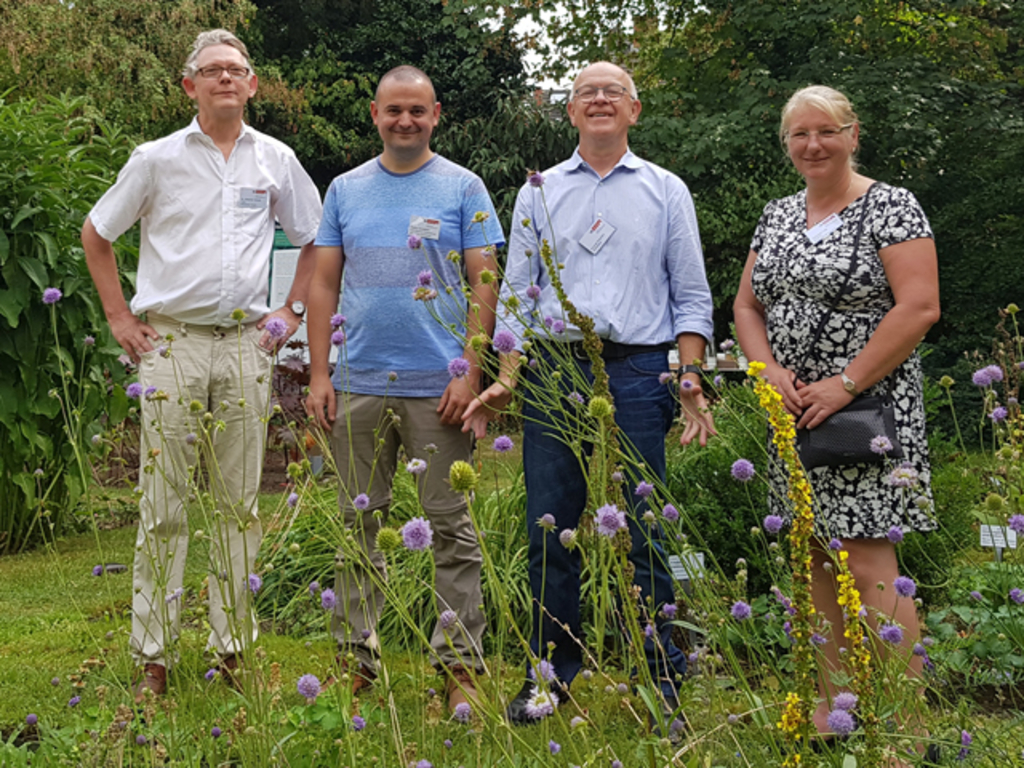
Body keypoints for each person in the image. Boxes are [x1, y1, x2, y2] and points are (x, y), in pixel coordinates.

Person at [463, 61, 716, 728]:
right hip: (553, 370)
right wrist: (507, 375)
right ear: (570, 113)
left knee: (646, 529)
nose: (600, 100)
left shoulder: (666, 190)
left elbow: (691, 297)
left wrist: (691, 379)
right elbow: (517, 292)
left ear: (635, 111)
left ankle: (662, 684)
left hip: (637, 371)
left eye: (613, 92)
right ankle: (550, 678)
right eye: (586, 93)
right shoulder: (536, 194)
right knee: (550, 528)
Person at [81, 29, 322, 701]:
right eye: (210, 71)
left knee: (239, 506)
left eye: (236, 70)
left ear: (251, 85)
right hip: (172, 345)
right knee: (163, 507)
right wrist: (119, 319)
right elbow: (97, 233)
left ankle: (232, 651)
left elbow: (315, 237)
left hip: (247, 344)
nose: (224, 79)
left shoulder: (275, 159)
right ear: (189, 87)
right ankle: (153, 658)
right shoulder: (155, 160)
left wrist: (292, 314)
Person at [733, 85, 940, 758]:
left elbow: (918, 307)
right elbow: (746, 307)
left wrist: (843, 384)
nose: (813, 145)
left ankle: (905, 720)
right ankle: (836, 710)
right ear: (786, 143)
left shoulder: (891, 205)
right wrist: (768, 374)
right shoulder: (777, 214)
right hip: (794, 413)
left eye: (827, 131)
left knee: (869, 557)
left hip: (867, 411)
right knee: (815, 554)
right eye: (800, 134)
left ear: (854, 134)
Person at [304, 66, 504, 713]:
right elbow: (323, 285)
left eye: (417, 110)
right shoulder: (344, 190)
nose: (405, 121)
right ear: (375, 114)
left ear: (436, 113)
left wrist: (470, 371)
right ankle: (355, 662)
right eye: (394, 110)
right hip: (359, 380)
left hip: (438, 388)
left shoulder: (463, 187)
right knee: (358, 525)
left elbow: (485, 281)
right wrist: (318, 373)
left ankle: (458, 668)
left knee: (451, 529)